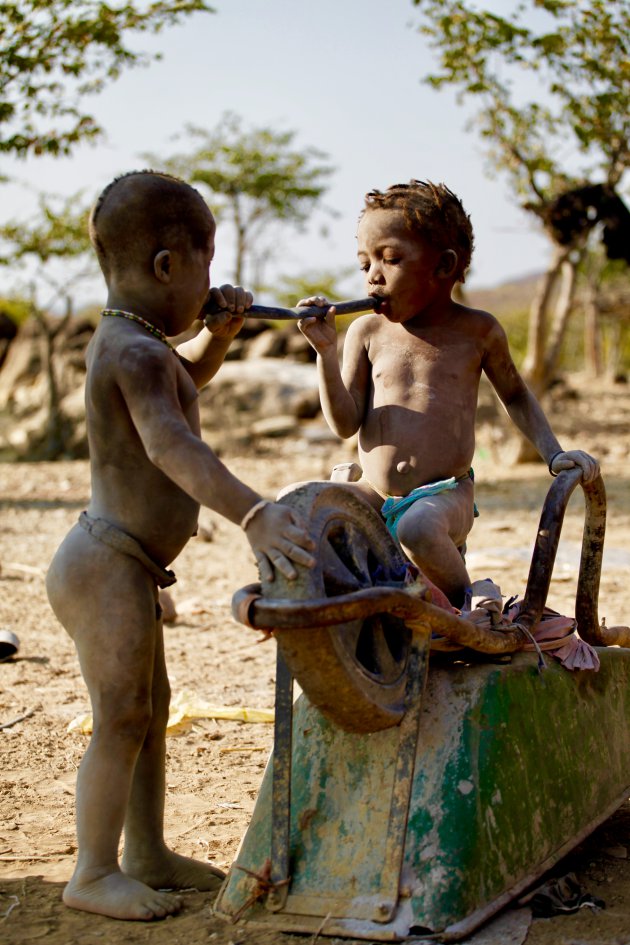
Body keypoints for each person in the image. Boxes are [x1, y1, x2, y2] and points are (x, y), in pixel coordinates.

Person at [45, 170, 315, 922]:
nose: (211, 278)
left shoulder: (142, 345)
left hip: (124, 563)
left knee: (149, 709)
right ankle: (93, 869)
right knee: (121, 716)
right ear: (168, 266)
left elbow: (185, 380)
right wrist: (252, 511)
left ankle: (147, 852)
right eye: (205, 260)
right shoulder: (130, 354)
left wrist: (217, 335)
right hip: (105, 563)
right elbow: (173, 448)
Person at [297, 180, 599, 608]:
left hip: (444, 495)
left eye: (391, 259)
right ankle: (363, 607)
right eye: (364, 263)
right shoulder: (364, 332)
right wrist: (325, 352)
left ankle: (468, 606)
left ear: (443, 267)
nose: (373, 276)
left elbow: (515, 395)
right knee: (297, 503)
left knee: (417, 530)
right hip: (375, 492)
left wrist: (553, 453)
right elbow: (345, 422)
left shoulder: (477, 331)